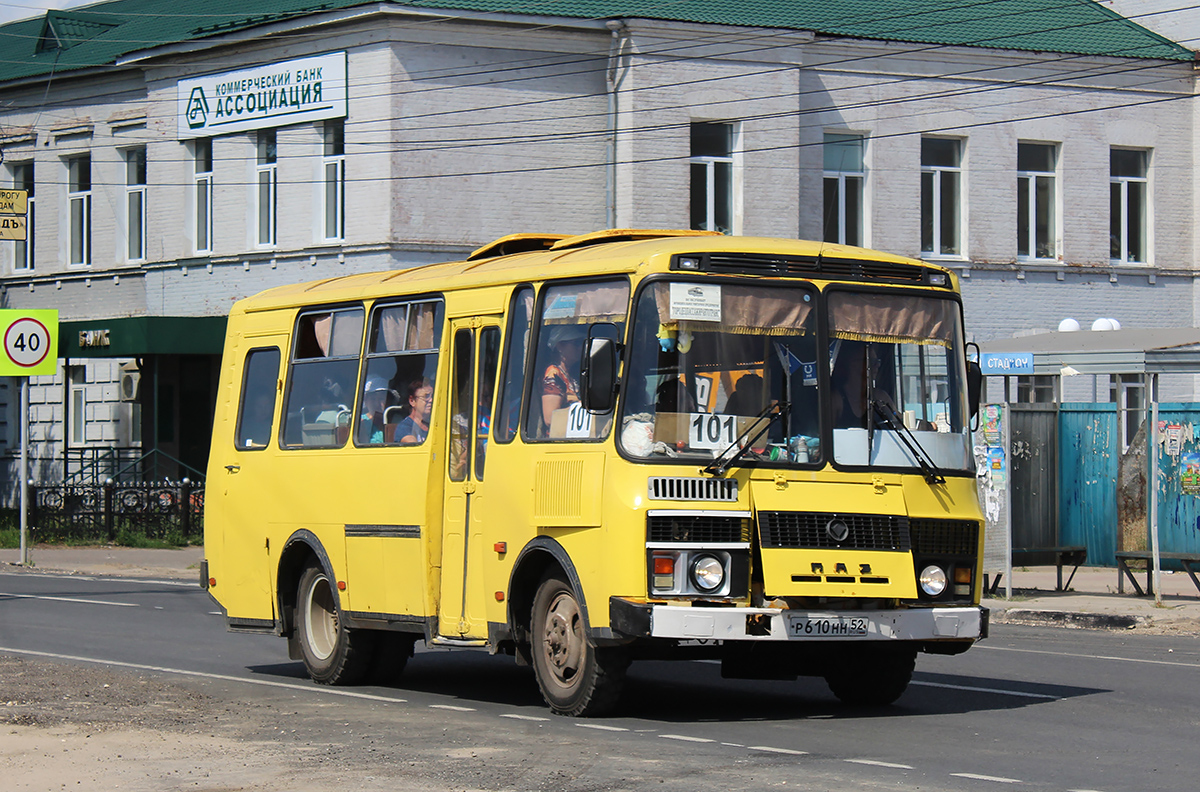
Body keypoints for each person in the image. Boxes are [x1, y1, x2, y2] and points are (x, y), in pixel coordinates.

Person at [540, 326, 585, 429]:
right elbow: (550, 418)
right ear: (560, 346)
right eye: (576, 343)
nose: (581, 348)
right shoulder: (553, 373)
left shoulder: (570, 374)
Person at [396, 378, 433, 444]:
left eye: (433, 396)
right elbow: (415, 448)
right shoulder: (404, 427)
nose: (431, 400)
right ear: (412, 401)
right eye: (426, 396)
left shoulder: (436, 425)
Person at [357, 376, 392, 445]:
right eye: (373, 399)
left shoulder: (395, 420)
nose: (377, 403)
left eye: (381, 399)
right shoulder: (359, 421)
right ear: (366, 401)